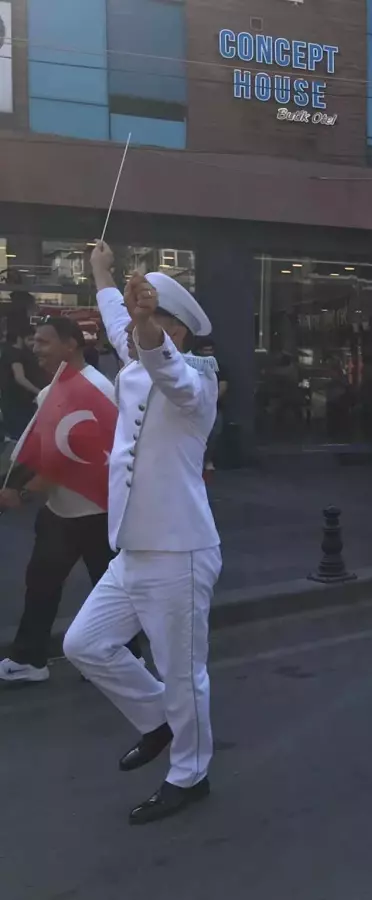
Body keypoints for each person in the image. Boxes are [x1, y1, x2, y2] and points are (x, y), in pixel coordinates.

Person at [63, 240, 221, 825]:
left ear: (172, 327)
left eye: (145, 319)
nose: (126, 331)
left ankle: (191, 773)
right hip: (133, 548)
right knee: (84, 644)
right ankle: (159, 721)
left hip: (178, 552)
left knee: (184, 673)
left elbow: (167, 369)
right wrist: (103, 272)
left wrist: (146, 325)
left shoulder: (195, 384)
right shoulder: (134, 357)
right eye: (132, 320)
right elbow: (117, 324)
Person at [0, 318, 144, 683]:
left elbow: (72, 458)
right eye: (34, 341)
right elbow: (38, 448)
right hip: (63, 511)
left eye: (44, 342)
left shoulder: (94, 390)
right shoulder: (55, 390)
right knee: (43, 584)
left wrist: (22, 492)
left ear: (71, 345)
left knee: (108, 588)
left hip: (96, 512)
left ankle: (128, 658)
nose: (36, 348)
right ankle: (29, 659)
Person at [1, 321, 43, 445]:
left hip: (14, 401)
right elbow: (20, 378)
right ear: (20, 338)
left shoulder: (8, 351)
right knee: (21, 437)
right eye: (30, 339)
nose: (33, 343)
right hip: (17, 402)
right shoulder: (15, 353)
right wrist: (40, 392)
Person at [191, 336, 228, 477]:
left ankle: (207, 460)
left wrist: (210, 400)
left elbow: (223, 386)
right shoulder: (193, 365)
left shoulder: (219, 366)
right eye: (205, 350)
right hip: (196, 407)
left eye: (210, 350)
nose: (208, 353)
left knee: (213, 434)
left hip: (215, 407)